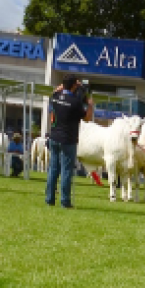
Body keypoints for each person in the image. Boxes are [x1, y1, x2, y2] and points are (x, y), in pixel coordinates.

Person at [47, 76, 94, 208]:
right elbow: (87, 118)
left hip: (54, 137)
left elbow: (57, 90)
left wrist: (68, 85)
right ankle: (65, 201)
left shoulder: (55, 97)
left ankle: (49, 198)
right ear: (74, 86)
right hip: (68, 139)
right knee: (66, 170)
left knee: (53, 169)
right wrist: (90, 104)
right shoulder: (75, 102)